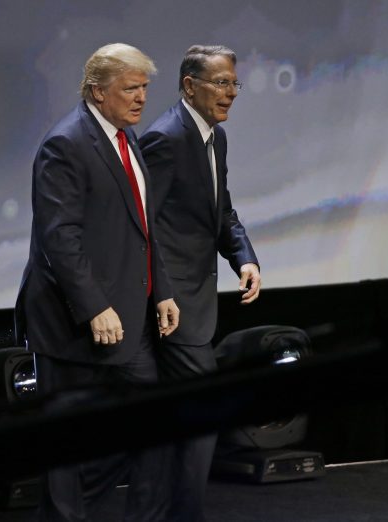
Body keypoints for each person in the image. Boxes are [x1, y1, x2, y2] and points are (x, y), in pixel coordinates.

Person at [15, 43, 180, 522]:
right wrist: (93, 306)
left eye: (145, 88)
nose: (141, 98)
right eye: (131, 88)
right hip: (72, 324)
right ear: (96, 91)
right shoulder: (65, 144)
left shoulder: (128, 140)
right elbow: (58, 239)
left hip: (132, 316)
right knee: (67, 450)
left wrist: (162, 289)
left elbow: (143, 229)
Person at [139, 45, 261, 522]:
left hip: (196, 297)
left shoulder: (213, 136)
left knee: (183, 418)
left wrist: (243, 257)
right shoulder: (166, 138)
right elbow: (142, 227)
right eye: (220, 83)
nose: (230, 93)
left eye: (234, 83)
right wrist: (163, 292)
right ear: (190, 86)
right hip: (173, 304)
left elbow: (220, 209)